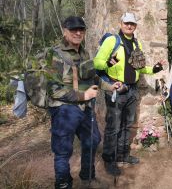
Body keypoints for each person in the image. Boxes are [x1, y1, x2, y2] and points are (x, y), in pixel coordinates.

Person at [47, 16, 120, 189]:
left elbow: (92, 77)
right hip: (64, 110)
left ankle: (87, 178)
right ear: (64, 31)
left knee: (93, 140)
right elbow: (53, 88)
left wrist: (110, 86)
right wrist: (83, 96)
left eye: (81, 29)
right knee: (63, 150)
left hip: (85, 109)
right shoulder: (56, 54)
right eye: (73, 29)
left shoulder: (84, 52)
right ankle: (63, 184)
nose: (78, 32)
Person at [93, 12, 164, 176]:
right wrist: (109, 62)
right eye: (126, 23)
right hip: (116, 90)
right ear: (121, 24)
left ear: (135, 26)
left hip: (132, 90)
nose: (129, 26)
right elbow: (97, 62)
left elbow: (139, 68)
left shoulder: (136, 44)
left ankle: (123, 155)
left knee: (126, 125)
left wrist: (154, 69)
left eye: (132, 24)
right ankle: (109, 160)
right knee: (113, 127)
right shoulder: (112, 40)